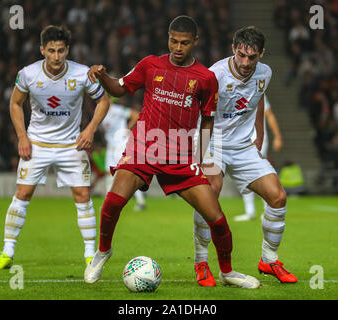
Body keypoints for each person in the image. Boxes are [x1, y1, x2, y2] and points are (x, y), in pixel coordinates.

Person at [84, 15, 260, 289]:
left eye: (184, 43)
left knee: (216, 217)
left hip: (180, 157)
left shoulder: (205, 78)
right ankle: (103, 251)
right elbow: (119, 88)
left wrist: (200, 159)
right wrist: (103, 75)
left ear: (195, 42)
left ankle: (227, 271)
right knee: (113, 201)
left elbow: (209, 120)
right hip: (144, 147)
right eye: (173, 41)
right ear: (168, 38)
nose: (178, 48)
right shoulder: (150, 64)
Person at [0, 25, 111, 270]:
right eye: (51, 51)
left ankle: (89, 256)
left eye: (61, 51)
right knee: (22, 194)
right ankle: (7, 252)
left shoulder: (82, 73)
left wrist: (90, 129)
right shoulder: (28, 74)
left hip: (71, 145)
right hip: (37, 144)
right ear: (42, 49)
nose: (56, 57)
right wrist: (22, 137)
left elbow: (103, 101)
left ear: (68, 50)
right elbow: (15, 103)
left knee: (83, 196)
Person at [193, 26, 297, 286]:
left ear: (261, 54)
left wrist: (259, 135)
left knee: (278, 196)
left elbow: (259, 98)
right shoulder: (214, 75)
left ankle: (269, 260)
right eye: (241, 55)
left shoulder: (265, 73)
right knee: (211, 192)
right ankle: (201, 262)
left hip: (243, 146)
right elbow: (202, 115)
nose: (245, 63)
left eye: (252, 57)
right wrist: (199, 154)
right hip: (213, 141)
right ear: (233, 50)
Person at [235, 94, 283, 221]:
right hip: (240, 139)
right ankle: (250, 210)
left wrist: (277, 136)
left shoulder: (257, 88)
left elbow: (269, 114)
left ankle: (268, 208)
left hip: (258, 139)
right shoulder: (233, 87)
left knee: (260, 173)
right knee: (244, 175)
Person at [100, 96, 146, 211]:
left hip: (121, 145)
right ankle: (108, 204)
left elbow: (135, 115)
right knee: (109, 174)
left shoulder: (117, 109)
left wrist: (126, 130)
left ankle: (140, 202)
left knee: (128, 173)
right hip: (111, 147)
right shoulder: (100, 112)